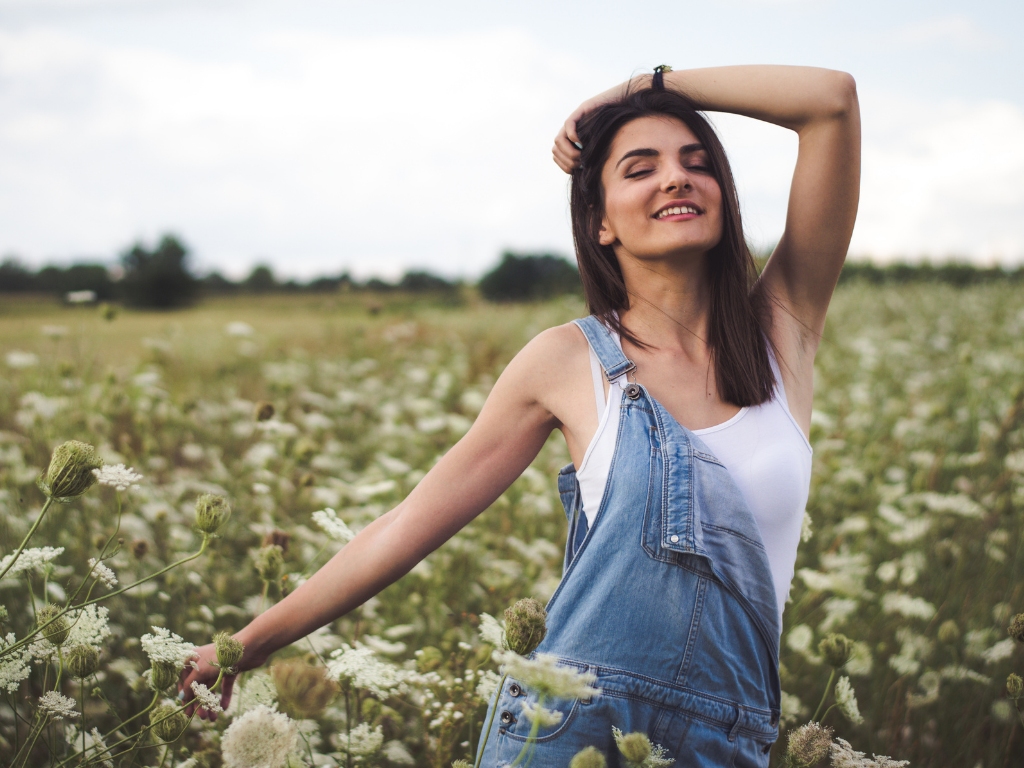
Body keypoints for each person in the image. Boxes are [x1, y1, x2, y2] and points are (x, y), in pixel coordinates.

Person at [180, 64, 860, 765]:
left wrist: (640, 87)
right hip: (570, 729)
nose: (677, 178)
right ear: (599, 221)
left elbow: (830, 103)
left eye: (697, 163)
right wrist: (245, 645)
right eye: (640, 168)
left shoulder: (783, 332)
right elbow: (408, 526)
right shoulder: (568, 361)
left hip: (727, 738)